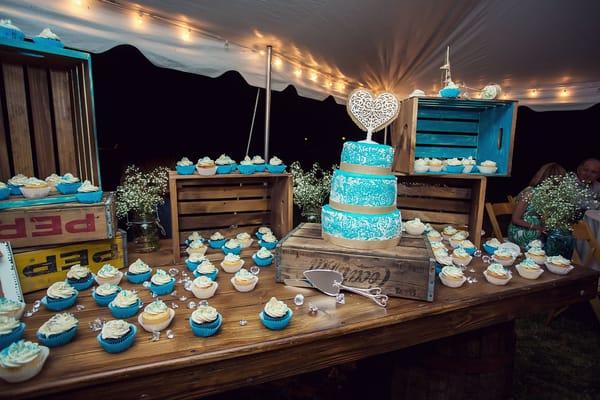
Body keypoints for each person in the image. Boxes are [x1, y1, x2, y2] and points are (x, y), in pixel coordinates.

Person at [507, 163, 567, 247]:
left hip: (537, 234)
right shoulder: (530, 192)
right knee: (551, 246)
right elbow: (515, 219)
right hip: (521, 232)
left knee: (560, 239)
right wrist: (537, 227)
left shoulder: (548, 196)